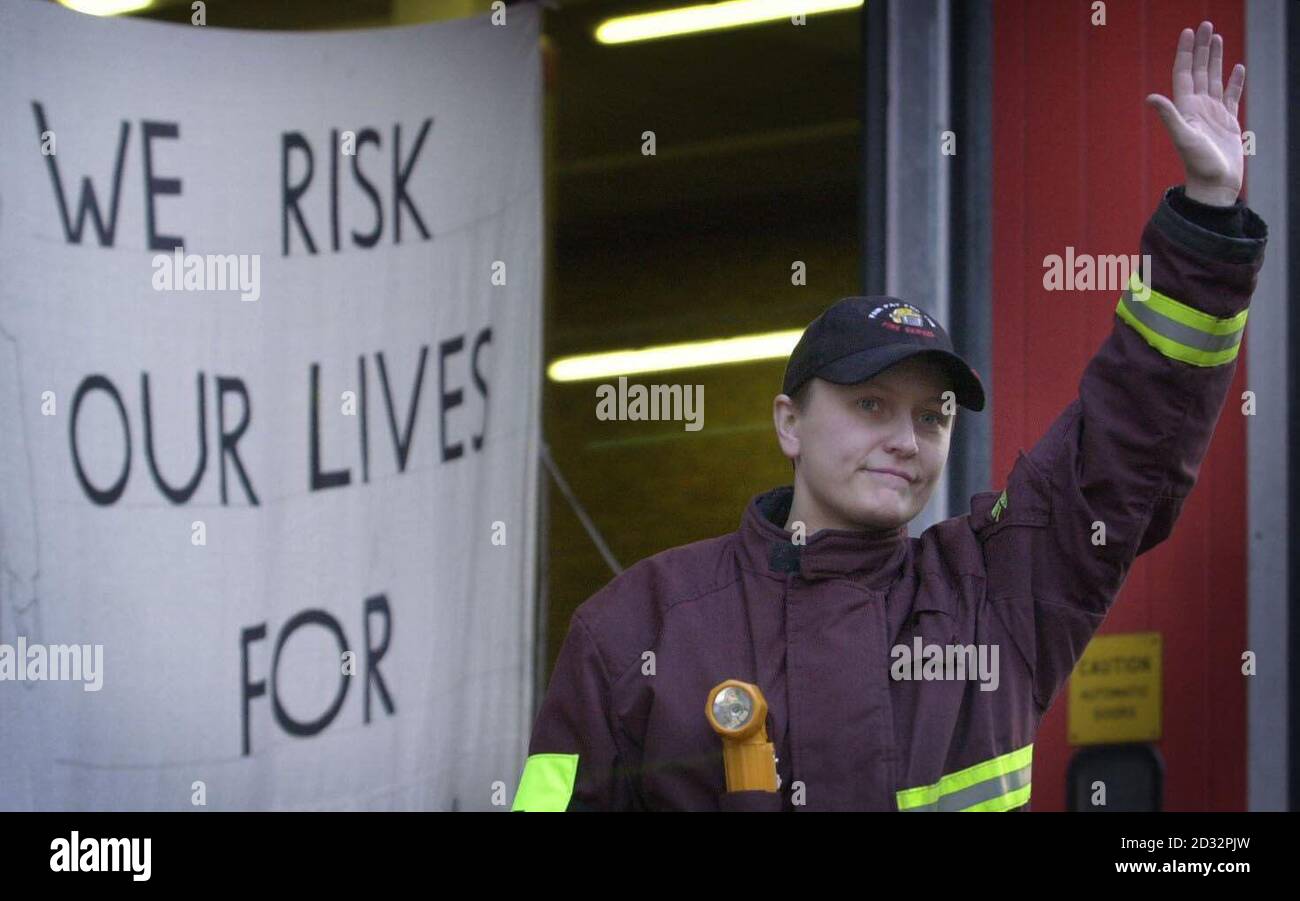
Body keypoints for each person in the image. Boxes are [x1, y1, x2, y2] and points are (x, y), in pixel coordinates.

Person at [511, 20, 1268, 811]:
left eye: (933, 416)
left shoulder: (997, 594)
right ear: (787, 424)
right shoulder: (637, 627)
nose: (906, 440)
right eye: (871, 404)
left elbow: (1124, 445)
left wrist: (1207, 220)